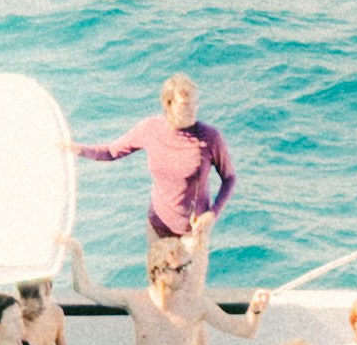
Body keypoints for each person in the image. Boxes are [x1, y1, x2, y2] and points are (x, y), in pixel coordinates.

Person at [76, 71, 237, 278]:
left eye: (195, 103)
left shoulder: (209, 137)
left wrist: (213, 213)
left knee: (187, 293)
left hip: (192, 232)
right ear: (168, 105)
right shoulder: (150, 129)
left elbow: (229, 178)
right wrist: (77, 149)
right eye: (184, 104)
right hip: (157, 225)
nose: (192, 109)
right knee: (159, 289)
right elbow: (111, 152)